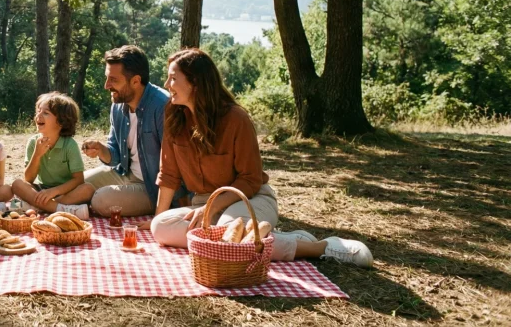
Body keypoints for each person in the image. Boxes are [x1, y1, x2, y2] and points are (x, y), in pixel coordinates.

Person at [150, 48, 374, 267]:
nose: (167, 85)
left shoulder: (235, 119)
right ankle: (274, 236)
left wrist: (210, 209)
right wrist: (157, 217)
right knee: (160, 227)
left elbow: (250, 179)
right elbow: (169, 175)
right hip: (204, 205)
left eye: (172, 78)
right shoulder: (174, 117)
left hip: (250, 199)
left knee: (232, 242)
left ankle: (321, 247)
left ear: (195, 83)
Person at [81, 45, 185, 223]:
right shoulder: (118, 104)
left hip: (152, 187)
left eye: (113, 80)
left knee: (101, 200)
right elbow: (114, 156)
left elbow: (174, 167)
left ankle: (75, 209)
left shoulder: (163, 106)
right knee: (75, 182)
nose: (107, 86)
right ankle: (61, 207)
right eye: (107, 78)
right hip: (124, 174)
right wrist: (101, 149)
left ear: (136, 81)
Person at [11, 92, 93, 218]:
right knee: (17, 184)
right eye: (38, 111)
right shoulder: (33, 142)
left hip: (64, 193)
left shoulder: (70, 145)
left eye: (46, 113)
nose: (39, 115)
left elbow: (79, 179)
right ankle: (60, 209)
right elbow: (28, 179)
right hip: (40, 190)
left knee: (88, 189)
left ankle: (38, 207)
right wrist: (37, 155)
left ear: (61, 121)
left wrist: (54, 191)